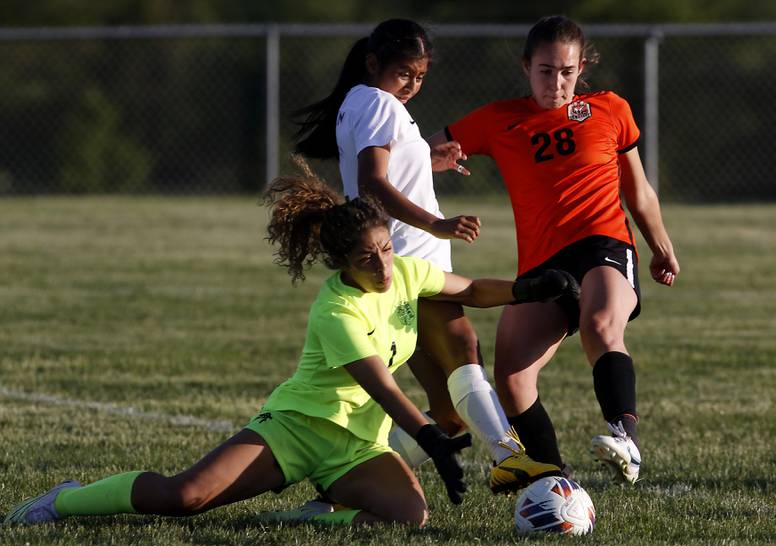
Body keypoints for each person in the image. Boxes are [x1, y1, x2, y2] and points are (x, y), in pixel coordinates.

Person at [4, 159, 577, 527]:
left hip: (357, 447)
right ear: (339, 264)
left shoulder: (404, 272)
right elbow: (380, 386)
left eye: (384, 249)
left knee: (409, 517)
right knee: (185, 498)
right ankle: (65, 499)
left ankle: (295, 518)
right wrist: (428, 434)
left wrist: (528, 287)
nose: (381, 267)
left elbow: (472, 287)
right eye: (365, 259)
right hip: (297, 430)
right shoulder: (336, 309)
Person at [292, 18, 563, 493]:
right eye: (404, 74)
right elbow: (374, 181)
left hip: (394, 261)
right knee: (464, 349)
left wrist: (426, 161)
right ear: (374, 64)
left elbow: (384, 171)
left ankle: (345, 486)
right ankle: (508, 457)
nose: (413, 85)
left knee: (447, 414)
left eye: (420, 77)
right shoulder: (378, 102)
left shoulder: (364, 100)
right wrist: (437, 224)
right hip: (411, 258)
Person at [428, 15, 680, 485]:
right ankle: (552, 477)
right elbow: (418, 154)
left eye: (567, 71)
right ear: (526, 67)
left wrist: (661, 247)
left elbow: (639, 191)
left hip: (603, 242)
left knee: (600, 323)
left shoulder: (609, 109)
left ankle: (625, 438)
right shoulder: (498, 119)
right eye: (546, 71)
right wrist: (429, 159)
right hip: (544, 264)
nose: (557, 82)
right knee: (511, 376)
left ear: (581, 68)